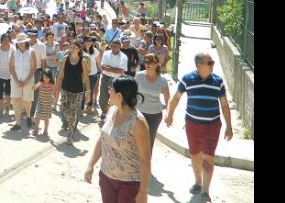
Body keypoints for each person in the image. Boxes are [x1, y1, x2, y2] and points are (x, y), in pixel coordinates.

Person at [165, 52, 233, 203]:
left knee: (208, 156)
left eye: (212, 62)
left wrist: (229, 126)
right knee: (195, 155)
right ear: (199, 65)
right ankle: (198, 182)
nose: (212, 65)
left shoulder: (218, 81)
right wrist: (169, 115)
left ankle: (205, 190)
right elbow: (176, 98)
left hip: (212, 125)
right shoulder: (188, 79)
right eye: (209, 63)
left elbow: (224, 105)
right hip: (192, 124)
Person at [84, 75, 151, 203]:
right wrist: (91, 164)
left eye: (111, 89)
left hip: (129, 184)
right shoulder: (112, 110)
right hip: (106, 178)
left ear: (119, 96)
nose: (108, 91)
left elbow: (145, 158)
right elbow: (103, 138)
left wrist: (143, 191)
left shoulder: (138, 122)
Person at [53, 40, 90, 145]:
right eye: (71, 46)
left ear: (79, 49)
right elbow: (60, 74)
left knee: (73, 112)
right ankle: (71, 123)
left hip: (77, 90)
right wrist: (55, 88)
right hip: (65, 88)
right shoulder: (65, 59)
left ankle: (70, 135)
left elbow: (86, 78)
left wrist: (88, 92)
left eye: (74, 47)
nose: (71, 48)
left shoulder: (83, 61)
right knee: (64, 109)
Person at [134, 54, 170, 153]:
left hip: (155, 115)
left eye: (149, 62)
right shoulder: (139, 75)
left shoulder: (162, 80)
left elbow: (167, 98)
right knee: (135, 140)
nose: (147, 64)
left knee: (148, 143)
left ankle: (146, 166)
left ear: (156, 64)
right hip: (138, 113)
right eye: (145, 62)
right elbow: (132, 92)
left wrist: (169, 113)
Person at [8, 33, 36, 131]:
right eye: (19, 43)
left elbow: (33, 68)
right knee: (16, 100)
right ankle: (17, 123)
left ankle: (28, 115)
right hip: (16, 79)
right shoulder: (13, 52)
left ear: (26, 42)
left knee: (26, 100)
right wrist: (17, 81)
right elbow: (11, 67)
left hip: (28, 79)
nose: (21, 44)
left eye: (22, 43)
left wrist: (25, 82)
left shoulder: (31, 52)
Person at [32, 68, 54, 136]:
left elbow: (54, 92)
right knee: (37, 117)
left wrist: (53, 98)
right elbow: (34, 88)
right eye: (44, 77)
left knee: (46, 118)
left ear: (50, 77)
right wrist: (33, 86)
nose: (46, 79)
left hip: (48, 104)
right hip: (40, 103)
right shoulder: (41, 82)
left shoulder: (51, 84)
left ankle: (45, 130)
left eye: (47, 77)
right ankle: (36, 130)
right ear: (42, 77)